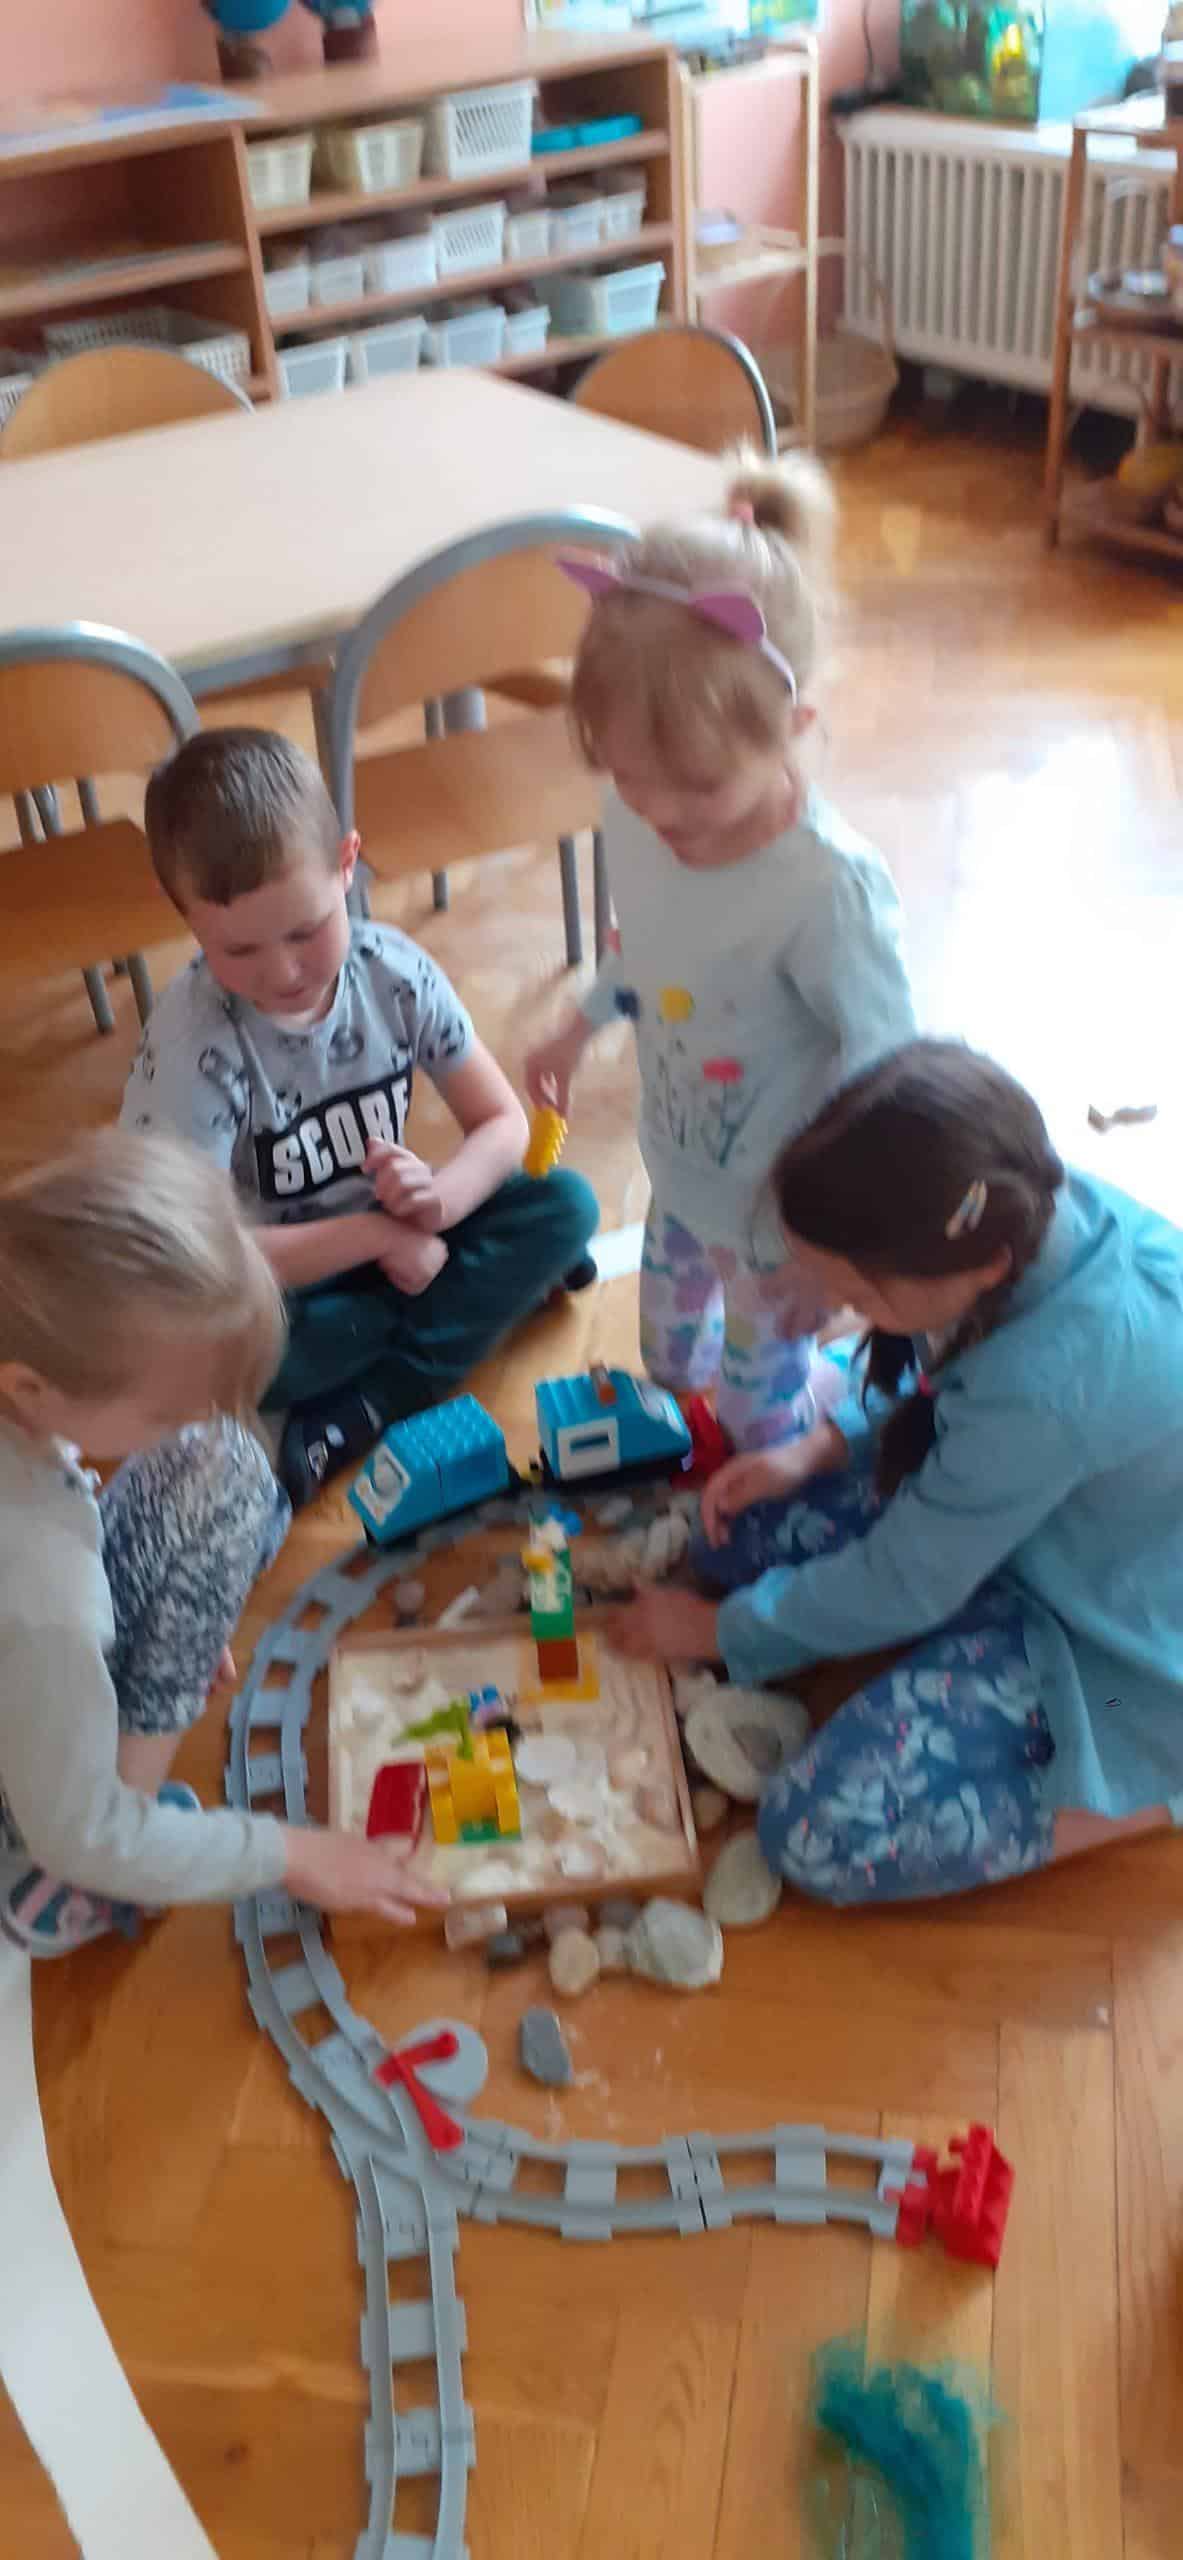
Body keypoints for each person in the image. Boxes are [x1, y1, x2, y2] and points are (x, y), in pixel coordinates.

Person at [610, 1041, 1183, 1906]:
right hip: (1021, 1521)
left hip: (1117, 1633)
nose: (845, 1315)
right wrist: (821, 1443)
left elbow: (907, 1576)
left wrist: (715, 1634)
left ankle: (1149, 1793)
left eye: (862, 1299)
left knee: (816, 1832)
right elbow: (944, 1375)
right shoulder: (1017, 1218)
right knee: (732, 1542)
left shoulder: (1049, 1384)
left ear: (978, 1266)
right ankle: (932, 1622)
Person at [524, 448, 915, 1456]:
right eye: (628, 777)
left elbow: (891, 1080)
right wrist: (575, 1024)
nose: (657, 813)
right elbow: (653, 947)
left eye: (695, 789)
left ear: (794, 726)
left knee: (754, 1424)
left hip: (783, 1227)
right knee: (667, 1363)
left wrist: (840, 1254)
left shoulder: (826, 891)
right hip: (679, 1177)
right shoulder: (642, 808)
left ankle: (848, 1415)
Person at [122, 728, 599, 1507]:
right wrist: (379, 1236)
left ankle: (369, 1403)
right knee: (197, 1359)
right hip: (279, 1280)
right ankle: (466, 1315)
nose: (282, 970)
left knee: (567, 1204)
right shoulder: (191, 1044)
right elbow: (199, 1253)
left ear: (347, 862)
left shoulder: (395, 974)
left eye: (305, 930)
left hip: (405, 1239)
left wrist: (440, 1198)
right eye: (238, 950)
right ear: (182, 915)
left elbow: (502, 1123)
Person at [0, 1129, 444, 1958]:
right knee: (86, 1837)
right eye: (168, 1412)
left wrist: (160, 1618)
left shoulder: (20, 1353)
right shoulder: (45, 1596)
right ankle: (61, 1885)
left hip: (31, 1651)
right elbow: (80, 1829)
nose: (193, 1425)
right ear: (31, 1387)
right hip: (43, 1809)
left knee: (226, 1466)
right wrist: (292, 1853)